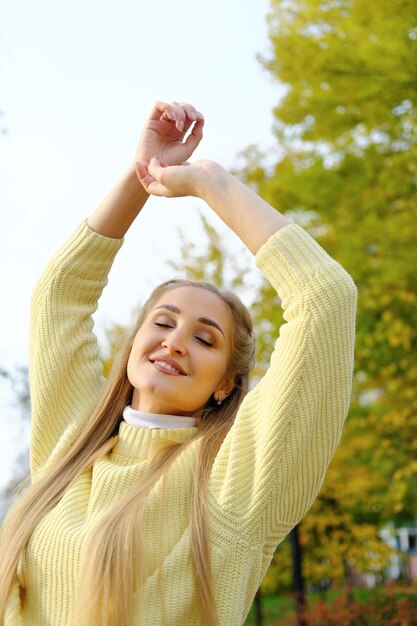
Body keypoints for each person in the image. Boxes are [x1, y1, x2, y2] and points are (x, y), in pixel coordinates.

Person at [0, 101, 357, 626]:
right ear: (133, 345)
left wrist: (212, 183)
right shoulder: (72, 444)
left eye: (205, 339)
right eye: (163, 323)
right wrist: (144, 174)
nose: (174, 342)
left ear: (225, 384)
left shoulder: (230, 482)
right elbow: (59, 300)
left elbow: (325, 299)